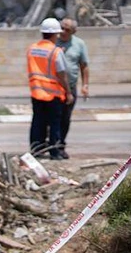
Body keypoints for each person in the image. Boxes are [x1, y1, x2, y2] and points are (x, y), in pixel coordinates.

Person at [27, 17, 72, 161]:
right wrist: (68, 92)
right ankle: (54, 152)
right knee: (54, 124)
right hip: (54, 95)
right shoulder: (55, 51)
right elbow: (61, 73)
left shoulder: (32, 49)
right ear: (55, 34)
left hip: (36, 92)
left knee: (37, 121)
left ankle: (36, 149)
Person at [57, 18, 90, 158]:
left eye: (67, 30)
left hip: (70, 87)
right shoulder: (53, 41)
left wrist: (85, 85)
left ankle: (60, 146)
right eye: (61, 28)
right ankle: (50, 144)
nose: (63, 32)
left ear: (74, 32)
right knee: (53, 118)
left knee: (65, 118)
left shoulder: (79, 44)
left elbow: (84, 65)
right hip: (54, 87)